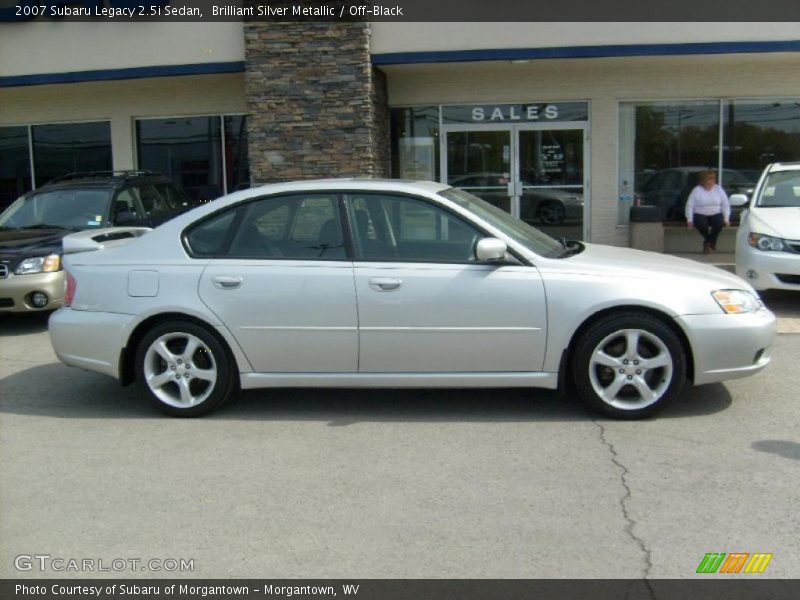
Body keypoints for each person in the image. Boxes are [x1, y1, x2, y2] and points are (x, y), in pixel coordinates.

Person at [685, 170, 730, 254]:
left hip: (715, 212)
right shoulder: (696, 190)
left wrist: (726, 218)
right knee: (701, 224)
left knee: (719, 223)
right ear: (704, 180)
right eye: (709, 179)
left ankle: (708, 243)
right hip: (700, 213)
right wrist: (689, 219)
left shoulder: (718, 189)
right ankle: (711, 243)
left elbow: (725, 204)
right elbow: (689, 205)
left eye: (713, 179)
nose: (712, 181)